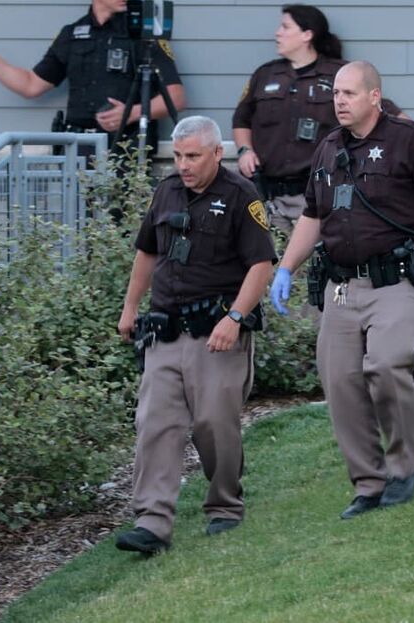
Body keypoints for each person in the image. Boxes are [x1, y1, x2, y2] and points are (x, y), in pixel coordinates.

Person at [269, 61, 414, 520]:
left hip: (397, 282)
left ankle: (403, 469)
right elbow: (313, 215)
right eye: (336, 93)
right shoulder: (327, 148)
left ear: (374, 97)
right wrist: (285, 267)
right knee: (339, 381)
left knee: (386, 364)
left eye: (349, 93)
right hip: (342, 286)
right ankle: (368, 483)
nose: (339, 101)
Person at [115, 115, 276, 554]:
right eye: (179, 155)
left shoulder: (241, 196)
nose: (183, 165)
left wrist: (236, 318)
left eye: (193, 156)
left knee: (213, 423)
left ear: (216, 154)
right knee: (155, 422)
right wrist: (130, 307)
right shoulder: (166, 190)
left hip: (216, 333)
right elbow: (147, 251)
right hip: (165, 330)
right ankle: (152, 522)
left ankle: (224, 504)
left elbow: (262, 264)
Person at [0, 0, 186, 158]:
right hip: (77, 151)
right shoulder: (72, 34)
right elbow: (31, 85)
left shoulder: (142, 34)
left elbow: (176, 98)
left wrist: (131, 113)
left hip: (125, 150)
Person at [231, 4, 404, 234]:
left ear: (307, 34)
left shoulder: (340, 74)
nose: (277, 33)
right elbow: (241, 120)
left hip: (320, 197)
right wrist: (244, 151)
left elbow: (384, 110)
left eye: (285, 26)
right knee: (275, 262)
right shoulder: (265, 74)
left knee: (317, 266)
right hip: (269, 197)